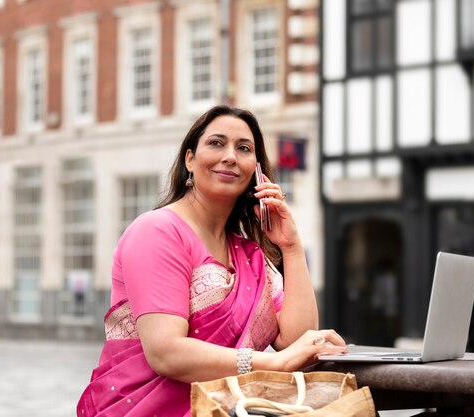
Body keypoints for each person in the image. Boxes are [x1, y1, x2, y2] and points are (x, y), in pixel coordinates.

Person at [77, 105, 347, 417]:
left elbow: (295, 339)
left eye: (243, 148)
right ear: (190, 159)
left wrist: (292, 246)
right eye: (216, 143)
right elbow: (167, 353)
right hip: (145, 408)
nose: (230, 156)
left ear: (255, 172)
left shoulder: (248, 254)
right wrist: (269, 363)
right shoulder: (158, 231)